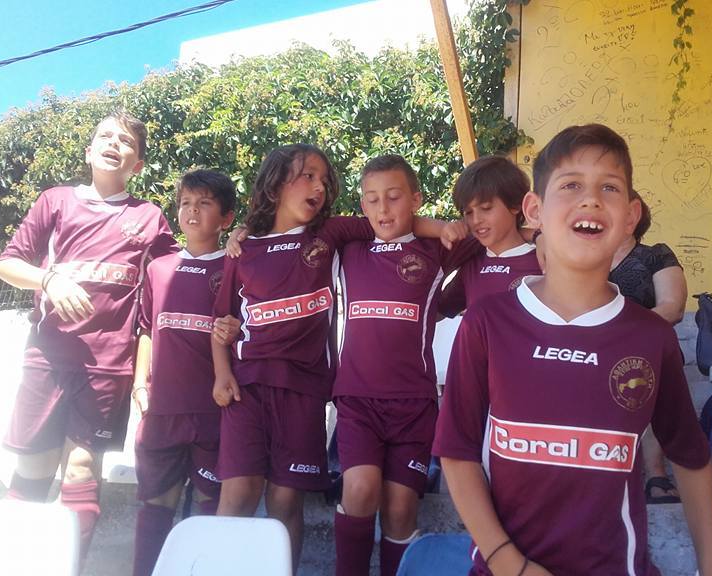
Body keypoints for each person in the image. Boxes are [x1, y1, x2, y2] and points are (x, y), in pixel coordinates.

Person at [433, 124, 712, 576]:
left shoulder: (651, 337)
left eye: (609, 187)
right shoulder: (487, 322)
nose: (590, 200)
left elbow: (691, 457)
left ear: (630, 216)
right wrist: (510, 563)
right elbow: (457, 451)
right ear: (535, 210)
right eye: (570, 185)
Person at [211, 144, 462, 570]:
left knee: (286, 501)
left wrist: (443, 227)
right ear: (275, 184)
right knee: (237, 496)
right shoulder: (244, 249)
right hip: (247, 385)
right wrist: (221, 371)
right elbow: (222, 320)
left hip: (307, 390)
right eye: (307, 176)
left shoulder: (330, 235)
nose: (319, 187)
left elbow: (391, 222)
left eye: (324, 180)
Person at [0, 111, 178, 564]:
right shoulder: (55, 201)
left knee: (81, 468)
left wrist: (234, 245)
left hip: (107, 367)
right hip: (49, 358)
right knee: (33, 467)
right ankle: (14, 564)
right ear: (89, 151)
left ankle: (69, 567)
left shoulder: (149, 217)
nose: (113, 143)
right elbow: (8, 264)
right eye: (105, 136)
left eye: (125, 141)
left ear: (137, 164)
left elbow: (180, 269)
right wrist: (49, 279)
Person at [333, 155, 480, 576]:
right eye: (372, 198)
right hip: (357, 400)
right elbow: (317, 225)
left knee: (400, 508)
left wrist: (439, 227)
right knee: (360, 487)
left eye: (394, 197)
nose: (383, 208)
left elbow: (484, 232)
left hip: (414, 403)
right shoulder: (349, 248)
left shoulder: (434, 249)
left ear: (415, 199)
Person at [131, 169, 238, 576]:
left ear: (226, 218)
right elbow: (146, 329)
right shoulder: (158, 268)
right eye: (186, 203)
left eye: (204, 203)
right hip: (163, 410)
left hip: (215, 412)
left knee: (212, 504)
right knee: (156, 503)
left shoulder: (235, 267)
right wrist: (140, 385)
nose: (192, 211)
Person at [609, 198, 688, 504]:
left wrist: (620, 331)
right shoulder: (585, 257)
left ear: (634, 215)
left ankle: (656, 475)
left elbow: (673, 307)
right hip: (593, 348)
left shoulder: (656, 255)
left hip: (646, 346)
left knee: (643, 370)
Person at [438, 155, 541, 318]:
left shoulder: (542, 259)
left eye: (486, 208)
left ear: (515, 205)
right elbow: (438, 313)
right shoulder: (471, 265)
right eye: (468, 212)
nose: (476, 220)